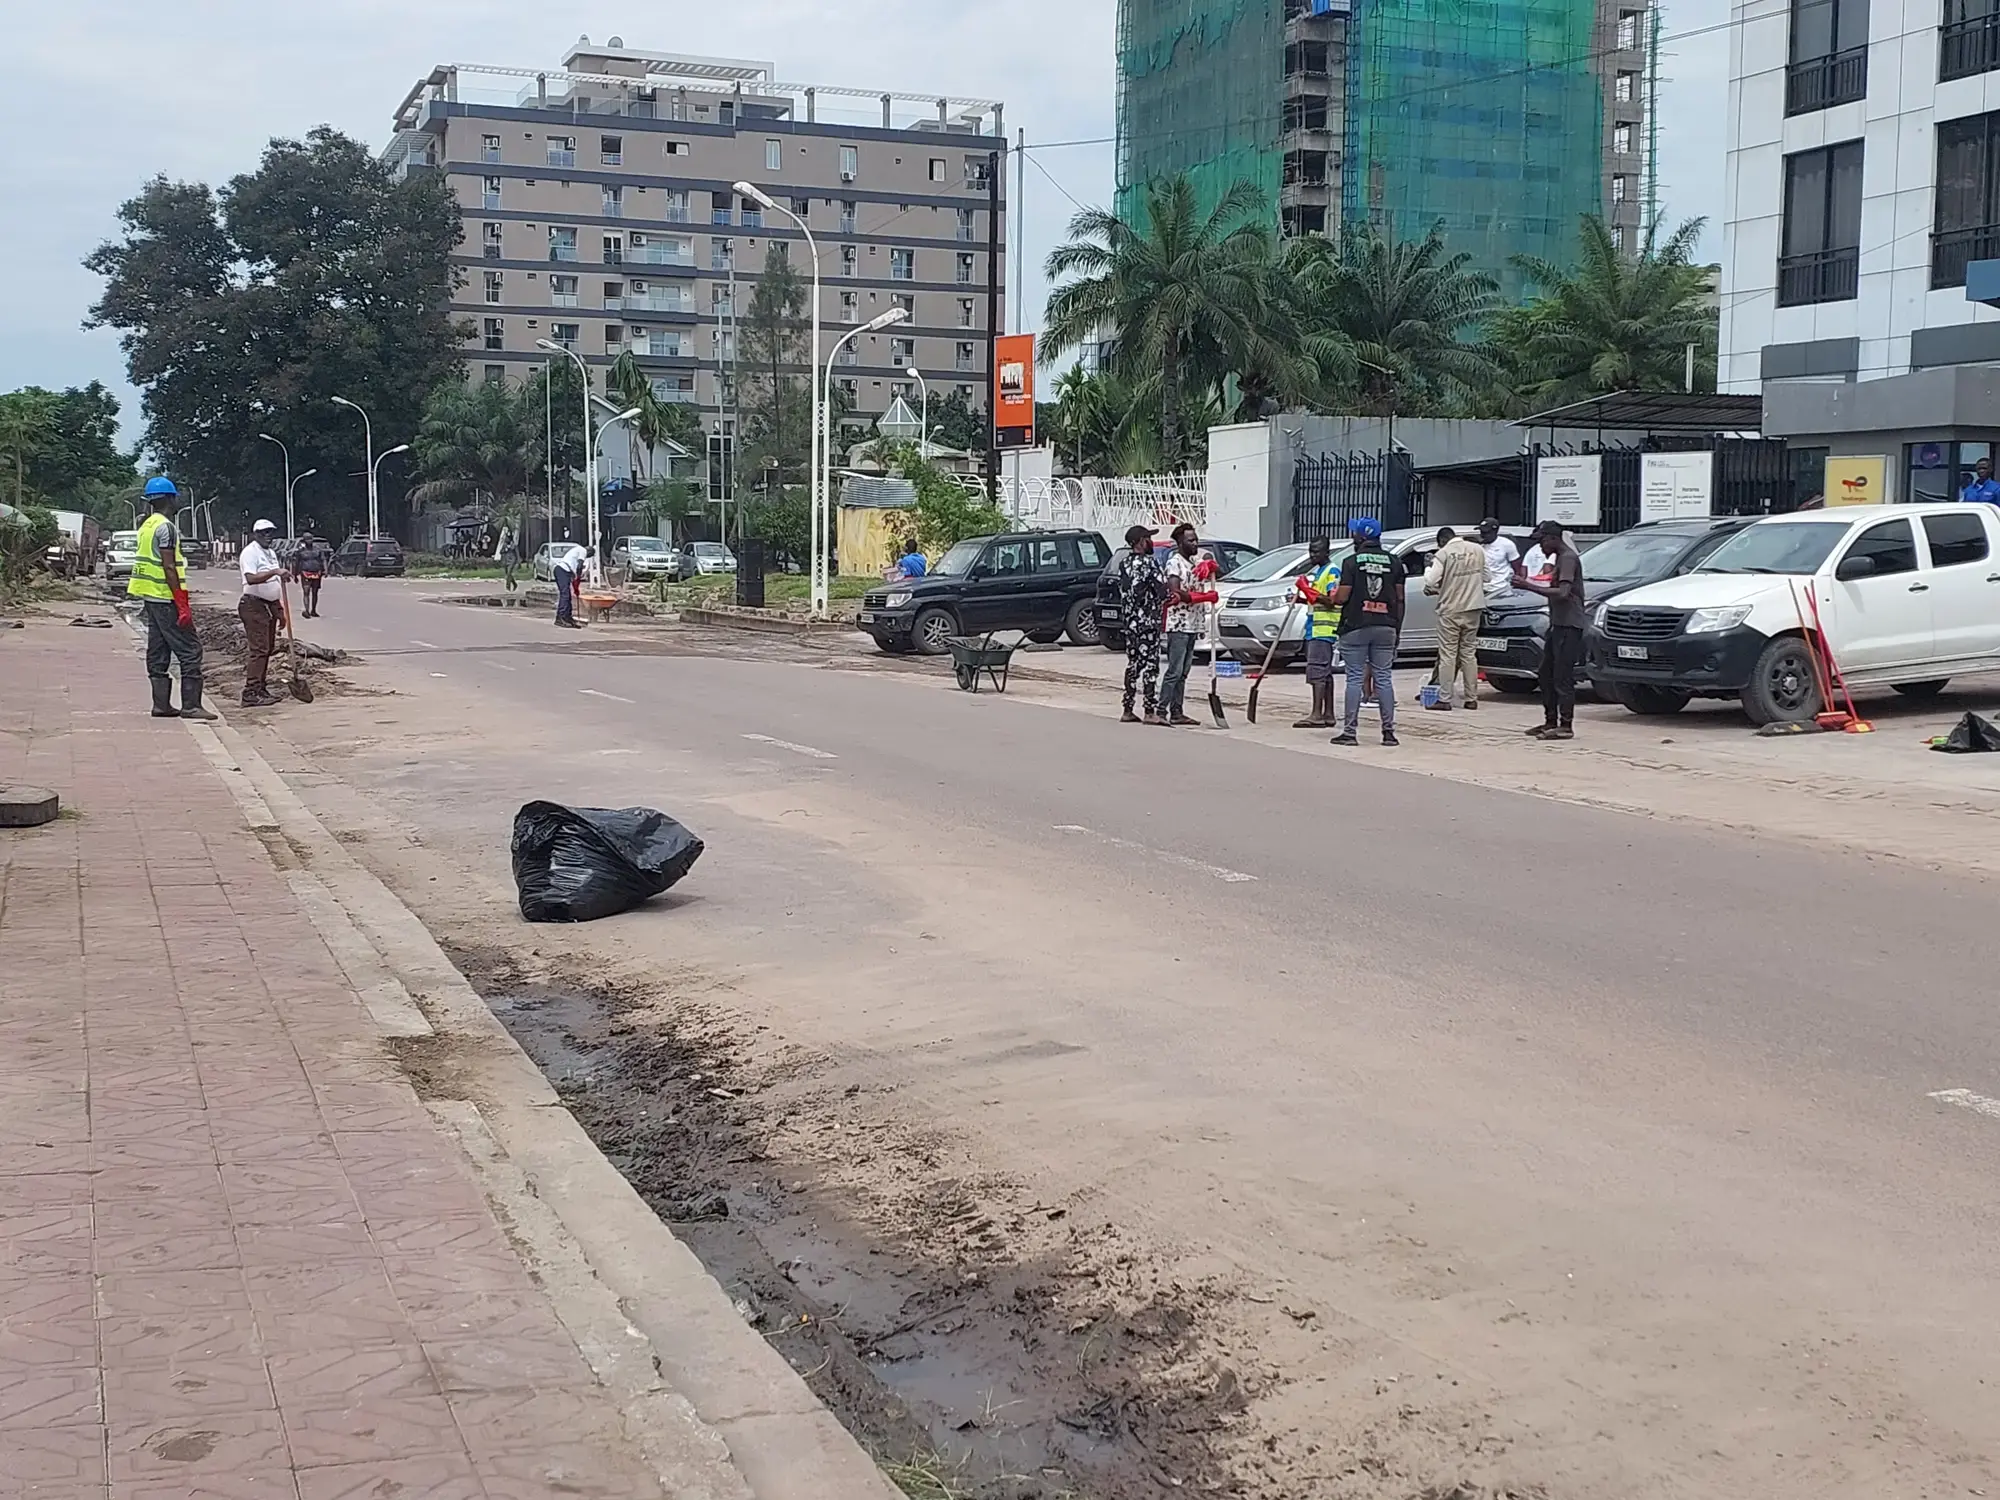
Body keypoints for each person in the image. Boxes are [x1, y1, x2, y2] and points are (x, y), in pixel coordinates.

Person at [128, 477, 216, 721]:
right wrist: (181, 602)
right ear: (169, 499)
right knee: (190, 650)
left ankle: (161, 704)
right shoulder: (165, 528)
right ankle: (191, 706)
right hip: (165, 598)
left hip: (150, 597)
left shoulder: (146, 525)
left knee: (158, 649)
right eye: (175, 497)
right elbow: (169, 567)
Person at [1329, 516, 1403, 748]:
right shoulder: (1395, 562)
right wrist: (1396, 629)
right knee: (1383, 679)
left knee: (1354, 678)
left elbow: (1342, 598)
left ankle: (1350, 733)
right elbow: (1400, 599)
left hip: (1356, 626)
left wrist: (1327, 597)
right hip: (1386, 626)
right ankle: (1388, 733)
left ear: (1360, 537)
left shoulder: (1351, 563)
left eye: (1354, 533)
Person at [1514, 520, 1586, 741]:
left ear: (1553, 539)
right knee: (1546, 674)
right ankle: (1549, 721)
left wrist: (1528, 586)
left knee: (1562, 676)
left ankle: (1566, 725)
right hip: (1558, 624)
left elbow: (1563, 593)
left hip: (1569, 625)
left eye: (1542, 541)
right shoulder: (1560, 558)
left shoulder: (1567, 558)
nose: (1540, 547)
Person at [1423, 525, 1489, 710]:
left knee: (1448, 654)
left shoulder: (1444, 553)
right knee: (1469, 653)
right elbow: (1488, 577)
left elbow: (1430, 581)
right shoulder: (1477, 550)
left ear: (1442, 541)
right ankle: (1471, 698)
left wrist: (1428, 569)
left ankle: (1444, 699)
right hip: (1474, 607)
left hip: (1451, 610)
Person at [1157, 523, 1208, 727]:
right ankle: (1161, 710)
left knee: (1184, 671)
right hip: (1178, 623)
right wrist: (1201, 597)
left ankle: (1177, 712)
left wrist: (1210, 567)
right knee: (1174, 670)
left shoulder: (1194, 563)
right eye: (1191, 540)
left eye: (1196, 539)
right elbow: (1175, 593)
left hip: (1193, 623)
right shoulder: (1174, 563)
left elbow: (1215, 575)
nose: (1195, 543)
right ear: (1180, 542)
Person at [1116, 525, 1168, 723]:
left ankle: (1127, 708)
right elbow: (1162, 591)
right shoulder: (1150, 563)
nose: (1151, 542)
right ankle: (1149, 711)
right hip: (1147, 622)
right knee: (1150, 666)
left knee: (1133, 664)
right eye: (1148, 538)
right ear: (1140, 542)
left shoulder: (1124, 564)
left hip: (1130, 623)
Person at [1290, 536, 1340, 729]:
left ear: (1326, 552)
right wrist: (1303, 599)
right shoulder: (1320, 572)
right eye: (1310, 551)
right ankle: (1328, 714)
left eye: (1316, 551)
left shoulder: (1332, 572)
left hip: (1324, 628)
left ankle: (1317, 714)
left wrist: (1306, 590)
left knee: (1317, 671)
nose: (1312, 555)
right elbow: (1318, 600)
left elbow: (1331, 600)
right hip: (1315, 626)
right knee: (1324, 673)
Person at [237, 520, 286, 708]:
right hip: (253, 605)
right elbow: (250, 578)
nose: (268, 536)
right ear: (255, 534)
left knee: (267, 648)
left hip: (268, 606)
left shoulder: (271, 553)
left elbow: (273, 581)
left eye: (271, 532)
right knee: (259, 650)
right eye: (264, 532)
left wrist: (279, 611)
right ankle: (250, 692)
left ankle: (260, 688)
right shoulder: (250, 552)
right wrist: (275, 571)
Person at [1477, 517, 1520, 600]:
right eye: (1481, 532)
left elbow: (1517, 568)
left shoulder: (1506, 544)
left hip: (1500, 590)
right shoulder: (1478, 546)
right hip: (1481, 590)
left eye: (1486, 532)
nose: (1482, 535)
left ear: (1495, 531)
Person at [551, 539, 587, 628]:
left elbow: (574, 579)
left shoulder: (575, 553)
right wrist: (579, 575)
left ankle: (567, 617)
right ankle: (560, 618)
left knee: (568, 595)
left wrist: (576, 589)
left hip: (564, 571)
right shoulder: (583, 550)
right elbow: (579, 566)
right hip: (562, 570)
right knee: (565, 594)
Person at [293, 534, 327, 618]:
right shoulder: (300, 551)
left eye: (310, 539)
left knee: (315, 592)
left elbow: (323, 560)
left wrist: (325, 569)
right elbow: (296, 563)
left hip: (316, 573)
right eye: (307, 539)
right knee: (306, 591)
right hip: (305, 573)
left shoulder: (318, 550)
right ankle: (307, 610)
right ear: (304, 540)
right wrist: (295, 574)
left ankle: (313, 610)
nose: (309, 540)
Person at [497, 527, 520, 592]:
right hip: (506, 561)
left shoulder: (514, 545)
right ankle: (514, 584)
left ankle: (508, 586)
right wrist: (505, 550)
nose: (506, 540)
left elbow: (517, 553)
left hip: (512, 560)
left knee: (509, 573)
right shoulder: (504, 545)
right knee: (508, 574)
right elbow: (500, 552)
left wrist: (519, 561)